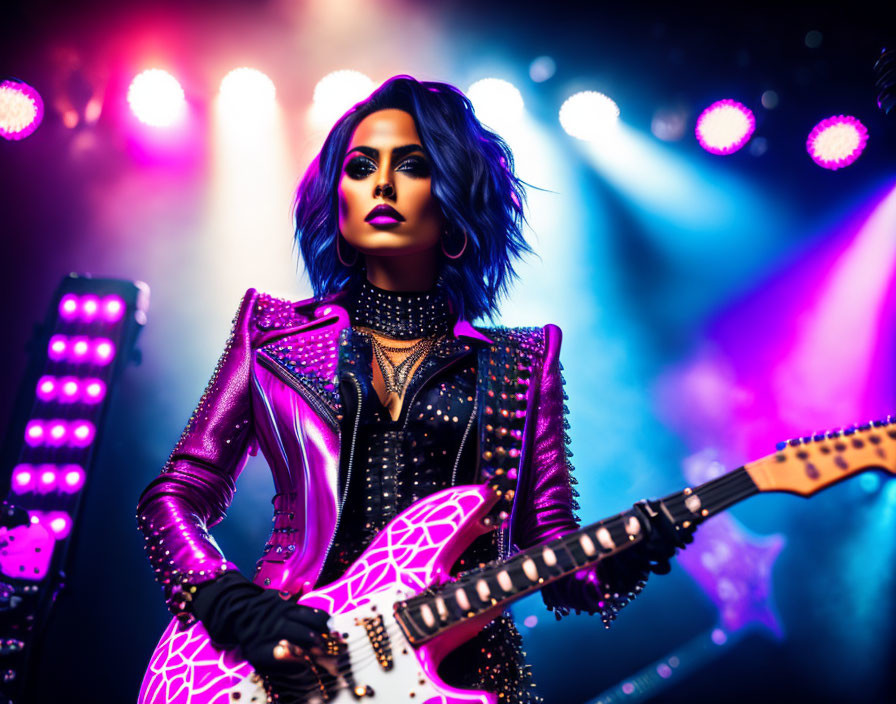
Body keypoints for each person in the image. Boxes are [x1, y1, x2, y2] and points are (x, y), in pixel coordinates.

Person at [136, 75, 685, 704]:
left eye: (414, 166)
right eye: (361, 165)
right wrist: (228, 603)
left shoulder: (524, 360)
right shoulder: (272, 332)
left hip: (462, 674)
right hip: (285, 659)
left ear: (454, 200)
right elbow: (175, 495)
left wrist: (624, 556)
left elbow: (555, 561)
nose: (383, 184)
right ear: (336, 200)